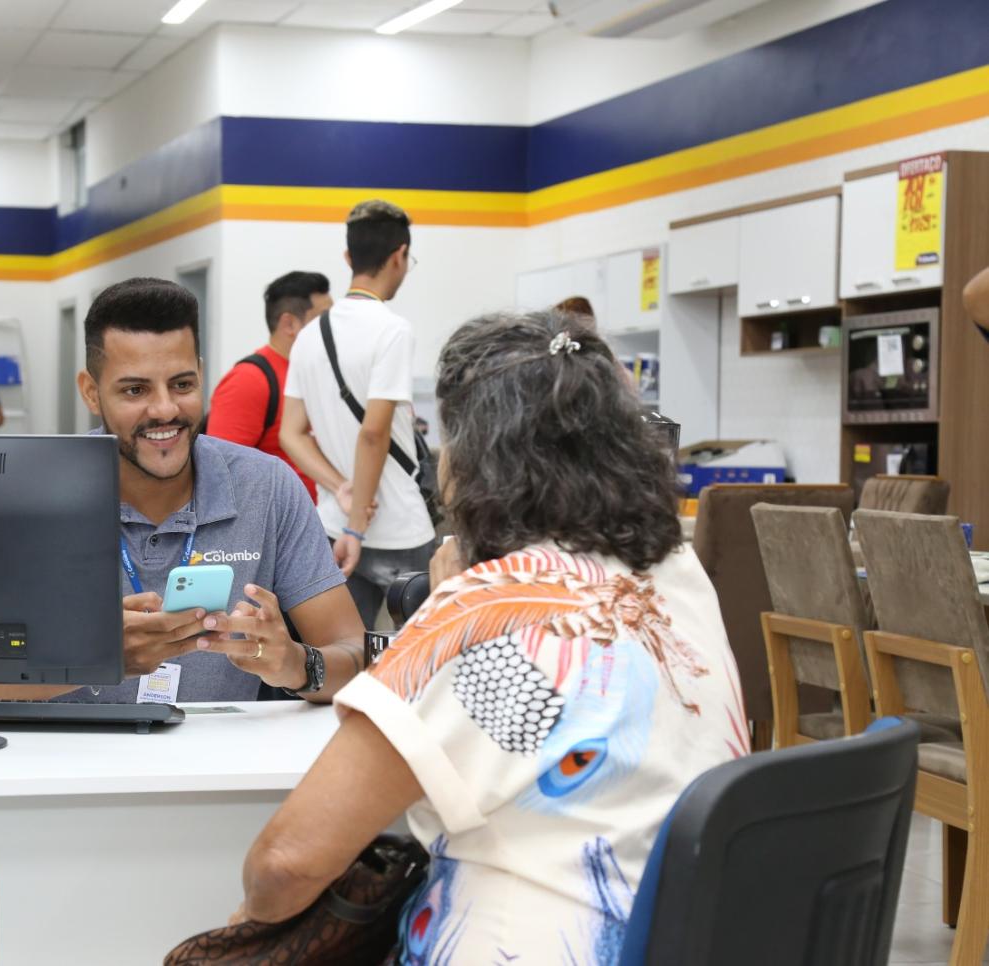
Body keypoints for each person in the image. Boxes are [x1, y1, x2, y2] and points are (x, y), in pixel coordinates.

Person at [233, 311, 746, 962]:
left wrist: (449, 611)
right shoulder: (679, 571)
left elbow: (283, 864)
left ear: (476, 462)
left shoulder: (483, 610)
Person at [0, 278, 367, 706]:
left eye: (182, 385)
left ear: (201, 374)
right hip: (66, 751)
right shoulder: (24, 498)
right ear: (91, 392)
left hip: (220, 750)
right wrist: (93, 659)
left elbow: (357, 658)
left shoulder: (267, 488)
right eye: (135, 390)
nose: (165, 409)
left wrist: (296, 664)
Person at [280, 200, 436, 628]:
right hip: (395, 529)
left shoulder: (310, 335)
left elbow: (291, 433)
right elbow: (373, 433)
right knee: (418, 649)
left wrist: (341, 490)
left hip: (332, 523)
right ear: (400, 255)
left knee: (345, 648)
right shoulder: (392, 329)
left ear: (348, 258)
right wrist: (357, 527)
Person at [205, 271, 332, 500]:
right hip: (280, 519)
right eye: (324, 319)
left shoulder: (317, 371)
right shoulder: (249, 380)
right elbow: (220, 473)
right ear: (289, 324)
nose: (332, 327)